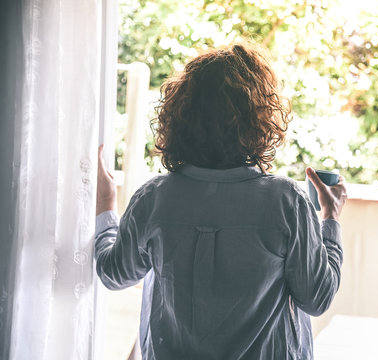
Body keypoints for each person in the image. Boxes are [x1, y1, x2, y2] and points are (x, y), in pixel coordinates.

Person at [95, 43, 347, 360]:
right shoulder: (287, 202)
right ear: (260, 118)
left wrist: (105, 205)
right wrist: (331, 220)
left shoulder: (155, 197)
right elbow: (317, 298)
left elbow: (114, 273)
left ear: (180, 115)